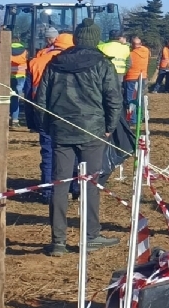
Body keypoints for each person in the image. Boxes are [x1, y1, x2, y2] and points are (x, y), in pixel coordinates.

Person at [35, 19, 122, 257]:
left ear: (76, 38)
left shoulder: (55, 63)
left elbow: (40, 100)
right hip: (91, 130)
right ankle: (91, 235)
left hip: (62, 130)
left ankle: (58, 240)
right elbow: (114, 99)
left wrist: (47, 127)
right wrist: (109, 128)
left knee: (60, 184)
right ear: (95, 39)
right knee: (90, 184)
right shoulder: (103, 64)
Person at [26, 32, 76, 201]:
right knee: (73, 150)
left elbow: (28, 94)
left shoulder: (37, 61)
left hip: (44, 113)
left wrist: (31, 120)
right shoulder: (76, 64)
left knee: (48, 153)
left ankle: (48, 192)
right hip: (70, 115)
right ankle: (73, 188)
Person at [124, 35, 150, 123]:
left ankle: (132, 118)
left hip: (131, 77)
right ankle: (141, 117)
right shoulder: (146, 51)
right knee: (140, 97)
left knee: (130, 98)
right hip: (143, 76)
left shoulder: (129, 52)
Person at [9, 41, 28, 128]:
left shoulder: (7, 49)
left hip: (8, 76)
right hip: (21, 76)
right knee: (15, 98)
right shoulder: (25, 51)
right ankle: (15, 120)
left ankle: (5, 117)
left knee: (4, 98)